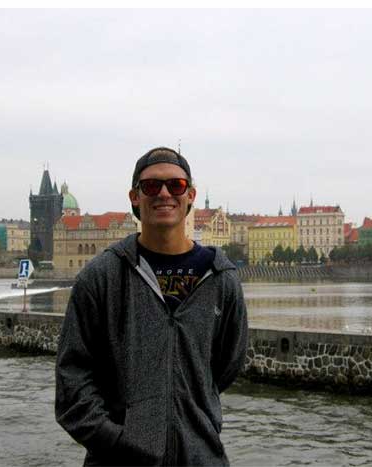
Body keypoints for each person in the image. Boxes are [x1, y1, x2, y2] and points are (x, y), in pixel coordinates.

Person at [56, 147, 248, 466]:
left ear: (190, 195)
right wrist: (117, 442)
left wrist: (191, 406)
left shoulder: (220, 278)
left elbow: (226, 366)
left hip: (201, 458)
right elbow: (72, 379)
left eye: (175, 185)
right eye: (150, 186)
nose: (163, 194)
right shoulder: (100, 277)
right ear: (134, 196)